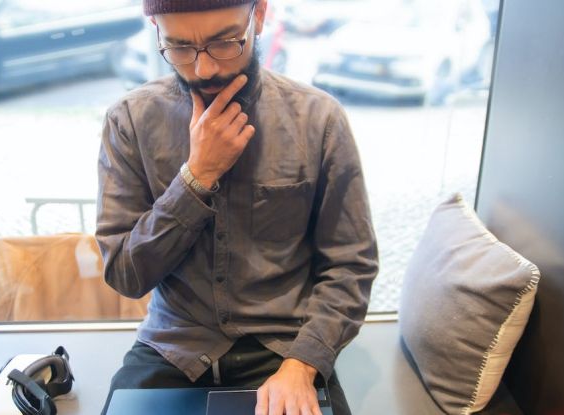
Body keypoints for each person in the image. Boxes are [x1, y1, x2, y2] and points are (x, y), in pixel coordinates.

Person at [95, 1, 379, 414]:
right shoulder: (131, 121)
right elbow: (124, 273)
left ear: (259, 15)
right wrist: (196, 178)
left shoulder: (318, 120)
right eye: (178, 47)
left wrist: (303, 365)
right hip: (172, 348)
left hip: (285, 348)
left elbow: (351, 265)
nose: (203, 69)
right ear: (156, 29)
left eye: (224, 42)